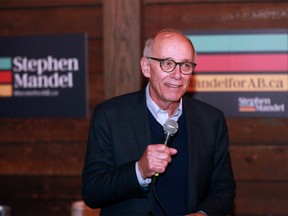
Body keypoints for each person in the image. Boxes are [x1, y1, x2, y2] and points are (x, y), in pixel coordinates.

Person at [82, 29, 236, 216]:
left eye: (185, 65)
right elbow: (92, 192)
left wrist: (203, 214)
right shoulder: (110, 115)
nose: (178, 75)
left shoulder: (211, 120)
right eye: (168, 63)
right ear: (146, 67)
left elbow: (224, 189)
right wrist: (139, 170)